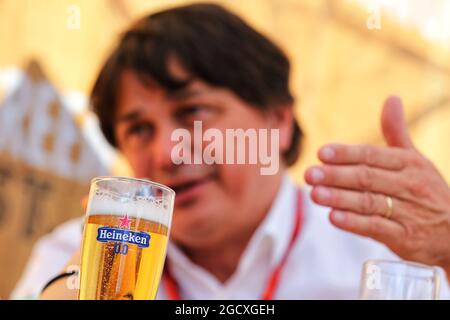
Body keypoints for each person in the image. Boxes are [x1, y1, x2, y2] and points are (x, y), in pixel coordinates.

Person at [12, 3, 450, 300]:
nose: (168, 151)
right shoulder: (82, 254)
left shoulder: (391, 251)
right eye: (139, 129)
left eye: (193, 111)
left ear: (278, 120)